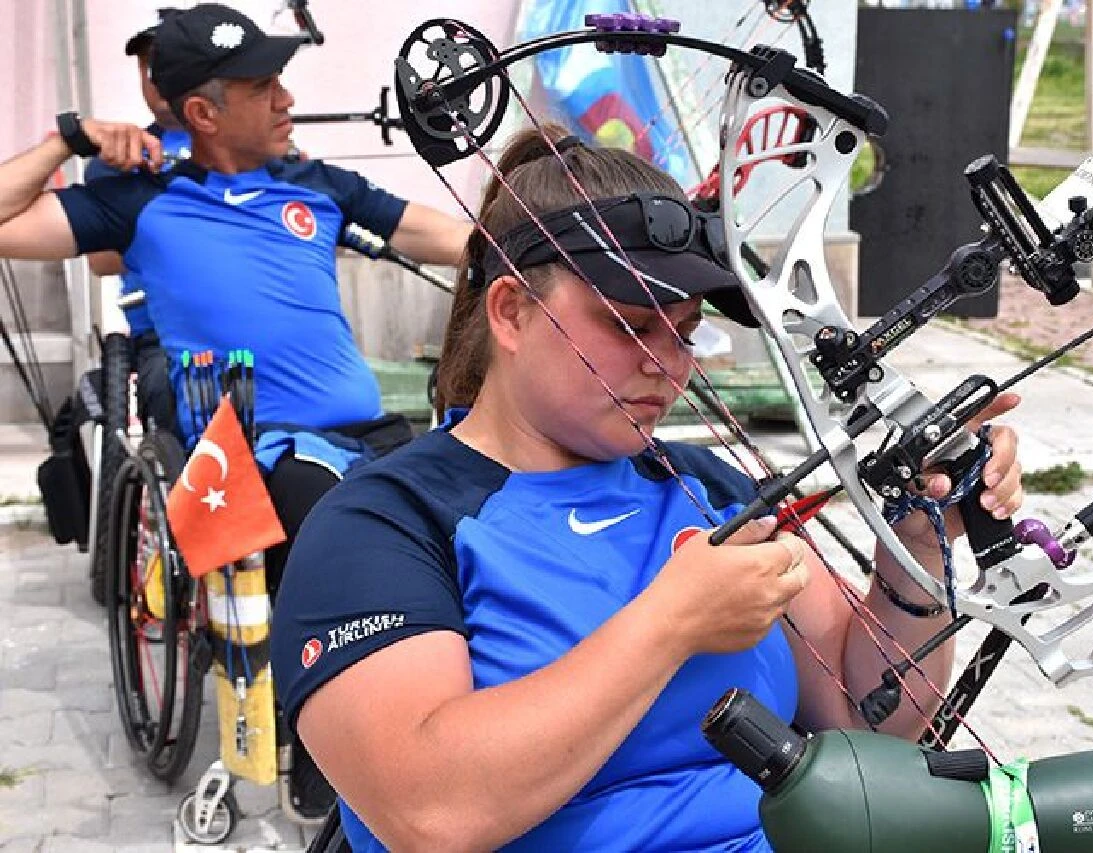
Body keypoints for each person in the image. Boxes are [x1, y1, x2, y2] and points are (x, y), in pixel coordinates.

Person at [269, 126, 1026, 852]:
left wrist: (919, 545)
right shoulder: (384, 522)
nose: (667, 363)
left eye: (686, 330)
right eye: (629, 325)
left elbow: (873, 725)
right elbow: (429, 813)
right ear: (509, 311)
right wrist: (669, 622)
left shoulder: (709, 488)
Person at [0, 2, 469, 818]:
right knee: (347, 533)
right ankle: (334, 750)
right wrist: (68, 139)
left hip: (368, 433)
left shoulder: (318, 184)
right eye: (263, 86)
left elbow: (451, 236)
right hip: (259, 446)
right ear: (203, 113)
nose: (287, 98)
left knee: (474, 523)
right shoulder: (136, 198)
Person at [83, 6, 190, 434]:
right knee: (168, 386)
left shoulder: (259, 152)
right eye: (147, 68)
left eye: (167, 64)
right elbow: (101, 259)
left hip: (264, 326)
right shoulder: (122, 158)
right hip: (165, 338)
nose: (155, 78)